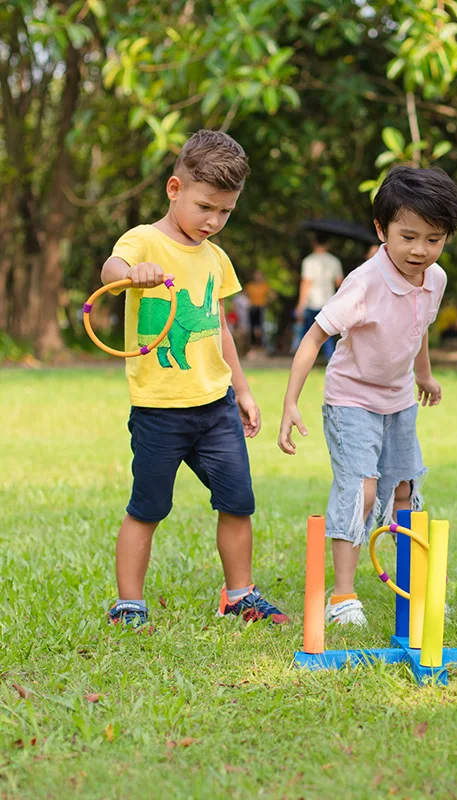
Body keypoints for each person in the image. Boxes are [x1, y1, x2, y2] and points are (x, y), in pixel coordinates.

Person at [99, 130, 288, 628]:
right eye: (205, 207)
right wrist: (132, 272)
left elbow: (218, 327)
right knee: (147, 507)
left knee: (238, 502)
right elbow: (110, 269)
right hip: (159, 409)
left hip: (215, 406)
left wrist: (242, 390)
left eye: (225, 212)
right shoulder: (144, 240)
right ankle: (129, 603)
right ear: (174, 188)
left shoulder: (215, 258)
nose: (213, 221)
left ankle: (239, 595)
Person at [278, 166, 457, 626]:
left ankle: (412, 585)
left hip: (398, 400)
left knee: (404, 489)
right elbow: (313, 338)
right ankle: (343, 597)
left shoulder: (435, 278)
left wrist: (424, 375)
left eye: (434, 239)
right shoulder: (363, 283)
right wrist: (290, 403)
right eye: (408, 237)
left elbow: (419, 326)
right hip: (351, 400)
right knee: (361, 491)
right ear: (382, 230)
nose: (420, 250)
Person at [295, 233, 344, 362]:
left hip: (312, 302)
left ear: (314, 243)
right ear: (328, 245)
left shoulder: (309, 261)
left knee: (309, 336)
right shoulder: (334, 261)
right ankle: (331, 360)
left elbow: (306, 283)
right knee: (327, 334)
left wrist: (301, 305)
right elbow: (339, 282)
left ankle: (302, 360)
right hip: (328, 302)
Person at [243, 270, 273, 352]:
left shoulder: (264, 286)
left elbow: (272, 295)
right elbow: (244, 295)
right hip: (252, 308)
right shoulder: (250, 286)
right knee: (251, 328)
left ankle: (261, 346)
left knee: (260, 328)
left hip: (261, 308)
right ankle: (252, 347)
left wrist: (266, 302)